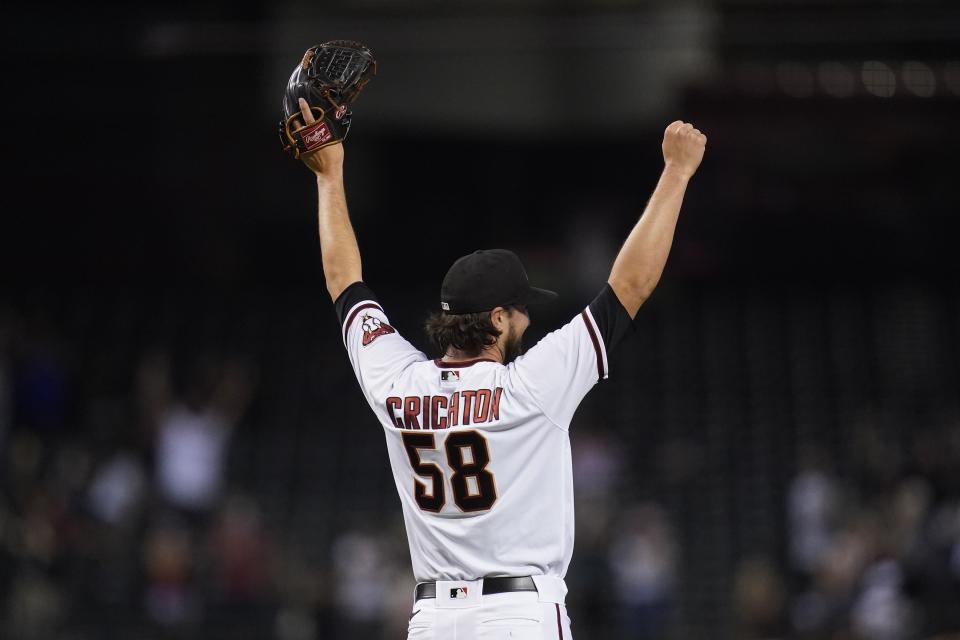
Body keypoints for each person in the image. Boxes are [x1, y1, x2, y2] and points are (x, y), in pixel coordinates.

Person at [292, 97, 706, 639]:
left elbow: (343, 279)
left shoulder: (396, 382)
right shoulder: (530, 387)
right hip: (518, 614)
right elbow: (628, 287)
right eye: (520, 308)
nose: (527, 318)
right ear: (495, 318)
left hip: (434, 619)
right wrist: (676, 173)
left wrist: (330, 171)